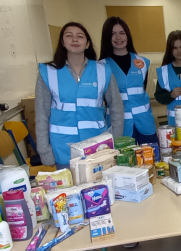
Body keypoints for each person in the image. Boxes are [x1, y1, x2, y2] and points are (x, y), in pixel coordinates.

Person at [35, 22, 124, 169]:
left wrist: (115, 141)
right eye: (69, 36)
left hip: (98, 146)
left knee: (100, 189)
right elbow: (42, 115)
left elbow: (117, 108)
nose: (75, 40)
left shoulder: (103, 71)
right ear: (62, 42)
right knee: (69, 191)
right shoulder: (48, 72)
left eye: (80, 36)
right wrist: (45, 152)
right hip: (63, 148)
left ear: (87, 43)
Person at [100, 17, 158, 144]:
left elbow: (143, 88)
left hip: (145, 122)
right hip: (119, 125)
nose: (118, 37)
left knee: (151, 158)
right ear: (106, 37)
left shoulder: (142, 62)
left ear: (128, 35)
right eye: (113, 34)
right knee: (124, 162)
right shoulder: (101, 66)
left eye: (122, 33)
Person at [155, 30, 181, 126]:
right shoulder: (164, 70)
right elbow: (158, 96)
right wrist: (171, 95)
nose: (179, 51)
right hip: (175, 122)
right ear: (170, 50)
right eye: (175, 48)